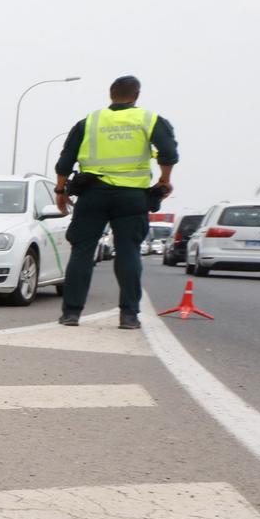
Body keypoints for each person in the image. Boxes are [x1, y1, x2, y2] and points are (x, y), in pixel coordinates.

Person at [54, 74, 177, 330]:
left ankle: (71, 314)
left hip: (92, 195)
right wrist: (164, 181)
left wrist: (60, 190)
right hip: (131, 198)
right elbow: (168, 152)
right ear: (136, 96)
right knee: (129, 253)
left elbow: (66, 158)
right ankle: (129, 316)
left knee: (82, 253)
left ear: (111, 94)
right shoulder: (150, 119)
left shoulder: (90, 121)